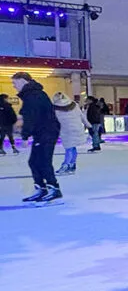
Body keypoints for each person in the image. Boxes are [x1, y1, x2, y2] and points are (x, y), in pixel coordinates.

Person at [13, 72, 62, 203]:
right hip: (42, 132)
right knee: (34, 162)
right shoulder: (31, 94)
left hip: (47, 132)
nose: (14, 86)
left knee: (43, 162)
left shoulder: (33, 96)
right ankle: (41, 188)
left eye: (15, 83)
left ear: (23, 81)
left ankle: (54, 189)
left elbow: (31, 118)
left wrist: (25, 136)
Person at [52, 93, 89, 176]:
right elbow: (82, 116)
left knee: (69, 149)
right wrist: (88, 125)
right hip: (77, 129)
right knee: (72, 148)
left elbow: (53, 122)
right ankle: (72, 165)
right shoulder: (74, 105)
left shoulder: (55, 109)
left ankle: (66, 165)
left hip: (67, 131)